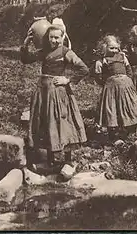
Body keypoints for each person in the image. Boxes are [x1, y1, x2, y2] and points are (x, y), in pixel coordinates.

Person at [20, 24, 89, 175]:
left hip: (58, 92)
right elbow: (26, 60)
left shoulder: (66, 52)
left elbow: (84, 68)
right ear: (47, 38)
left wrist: (68, 80)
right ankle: (50, 160)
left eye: (57, 37)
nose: (54, 40)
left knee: (62, 122)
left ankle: (68, 159)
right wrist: (26, 43)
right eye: (51, 37)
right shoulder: (44, 51)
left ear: (63, 37)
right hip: (43, 91)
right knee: (46, 121)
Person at [94, 34, 137, 140]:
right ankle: (113, 133)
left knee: (127, 105)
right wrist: (106, 84)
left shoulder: (123, 57)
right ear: (105, 47)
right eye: (111, 48)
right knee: (112, 108)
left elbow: (128, 69)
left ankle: (128, 130)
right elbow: (98, 76)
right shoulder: (102, 61)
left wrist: (128, 80)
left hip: (125, 86)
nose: (114, 50)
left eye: (116, 48)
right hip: (111, 88)